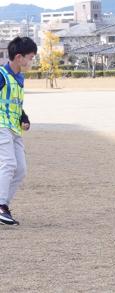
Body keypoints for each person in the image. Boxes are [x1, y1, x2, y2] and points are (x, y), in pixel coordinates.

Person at [0, 37, 37, 225]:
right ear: (18, 57)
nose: (32, 61)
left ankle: (2, 205)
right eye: (30, 58)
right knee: (8, 163)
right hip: (1, 125)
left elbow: (15, 103)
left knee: (20, 169)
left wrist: (24, 117)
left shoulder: (19, 78)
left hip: (14, 127)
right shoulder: (1, 75)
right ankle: (1, 206)